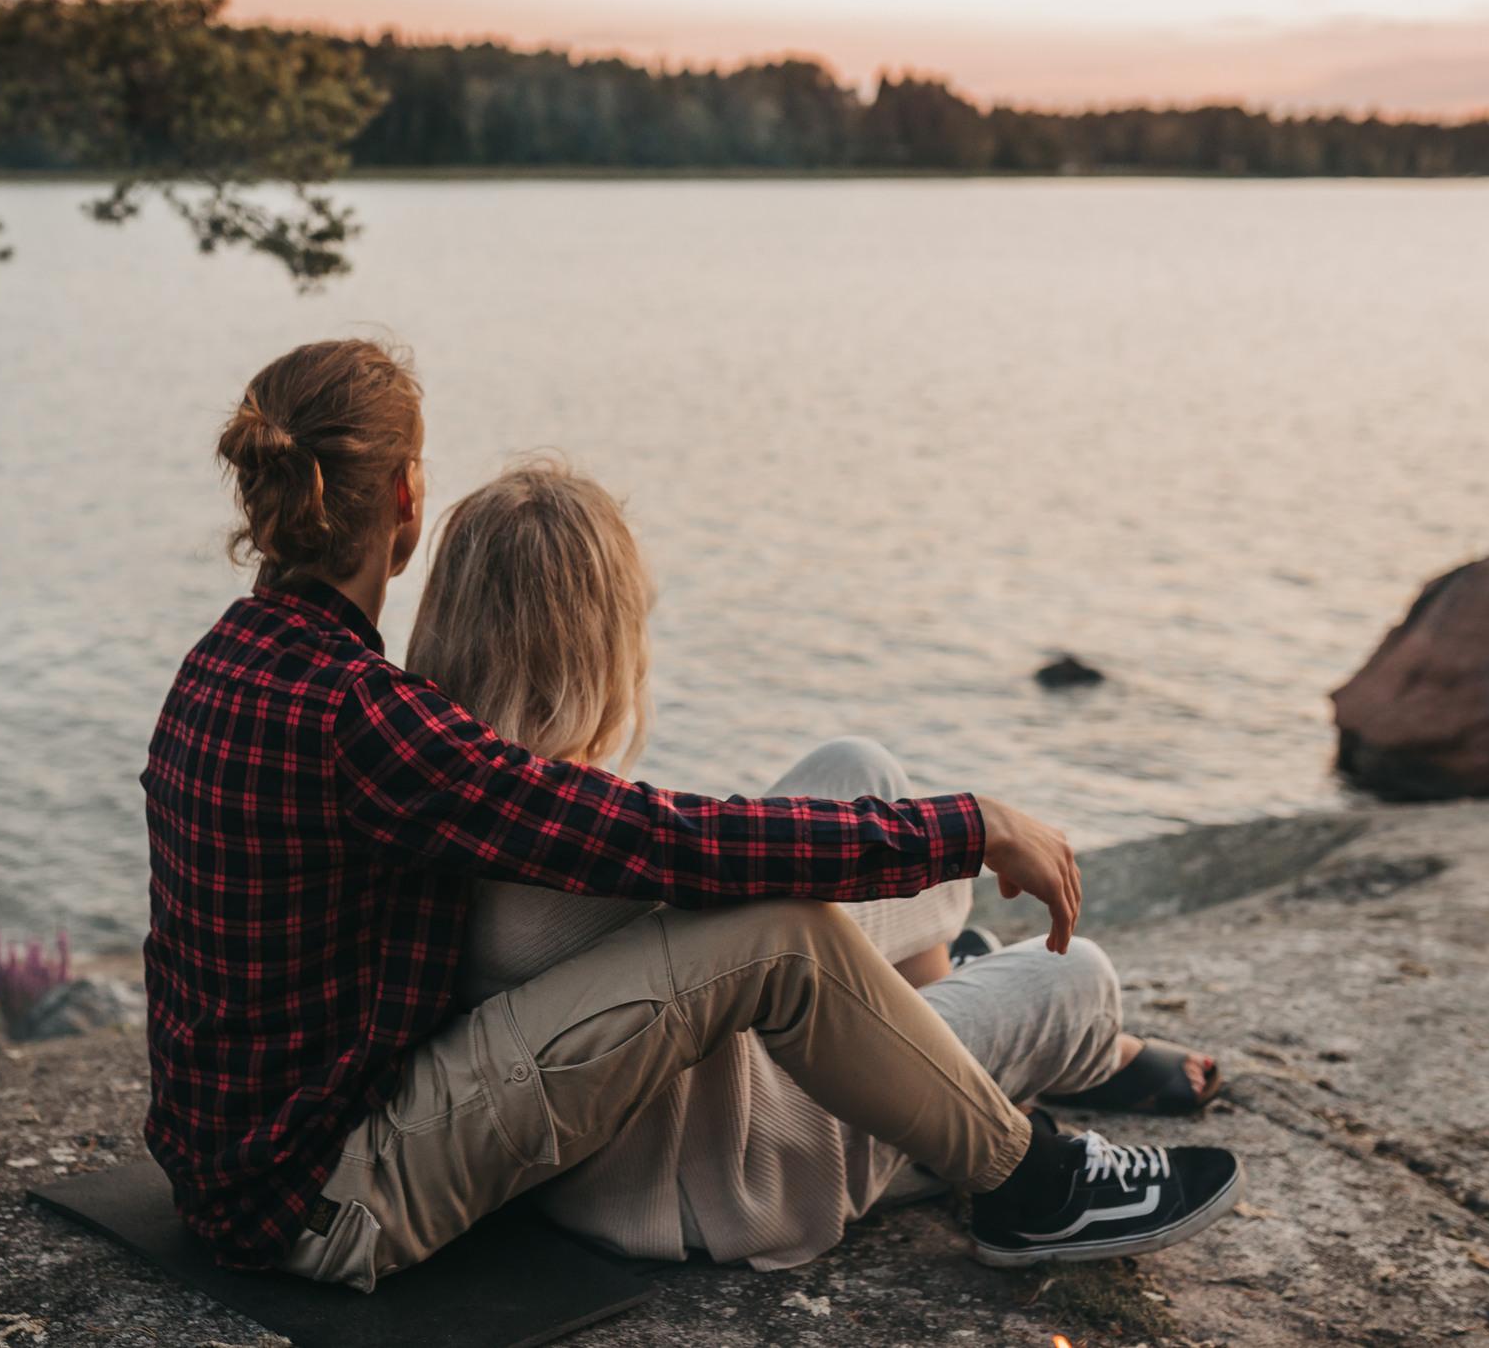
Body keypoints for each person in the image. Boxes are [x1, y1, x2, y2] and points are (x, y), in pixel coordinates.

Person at [140, 339, 1244, 1293]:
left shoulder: (221, 668)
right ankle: (1027, 1179)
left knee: (839, 802)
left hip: (244, 1172)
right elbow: (660, 842)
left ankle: (942, 1013)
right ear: (406, 500)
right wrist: (963, 826)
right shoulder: (361, 718)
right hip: (332, 1200)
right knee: (784, 931)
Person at [413, 457, 1225, 1270]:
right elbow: (735, 861)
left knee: (856, 768)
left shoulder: (459, 798)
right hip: (733, 1169)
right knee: (1076, 980)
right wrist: (975, 828)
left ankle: (946, 1026)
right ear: (603, 641)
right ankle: (1047, 1069)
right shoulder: (597, 837)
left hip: (682, 1115)